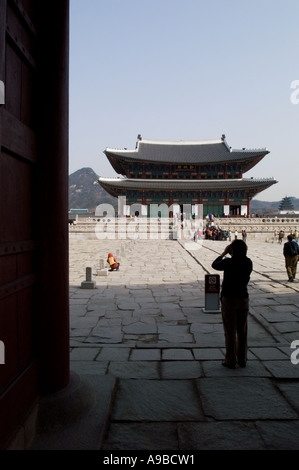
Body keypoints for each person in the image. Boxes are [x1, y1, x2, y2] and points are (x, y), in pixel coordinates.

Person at [211, 239, 253, 369]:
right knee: (242, 330)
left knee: (230, 331)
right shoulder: (248, 262)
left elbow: (215, 265)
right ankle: (242, 359)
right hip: (243, 298)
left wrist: (224, 253)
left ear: (232, 250)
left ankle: (230, 360)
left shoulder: (228, 262)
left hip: (229, 299)